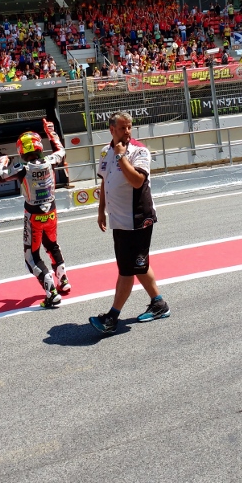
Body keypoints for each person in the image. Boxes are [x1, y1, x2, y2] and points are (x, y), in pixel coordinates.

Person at [89, 111, 170, 334]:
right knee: (139, 265)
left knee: (127, 269)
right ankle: (159, 304)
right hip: (119, 220)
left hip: (137, 219)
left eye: (129, 127)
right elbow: (106, 183)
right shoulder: (105, 151)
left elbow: (136, 182)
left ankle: (111, 317)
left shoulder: (139, 150)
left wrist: (121, 156)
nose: (127, 132)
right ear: (111, 129)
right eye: (122, 128)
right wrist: (100, 211)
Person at [0, 118, 71, 308]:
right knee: (52, 245)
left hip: (33, 215)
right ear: (38, 146)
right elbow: (61, 151)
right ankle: (63, 281)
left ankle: (51, 293)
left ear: (21, 151)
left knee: (31, 257)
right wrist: (51, 132)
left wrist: (1, 161)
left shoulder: (22, 168)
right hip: (51, 211)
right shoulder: (50, 160)